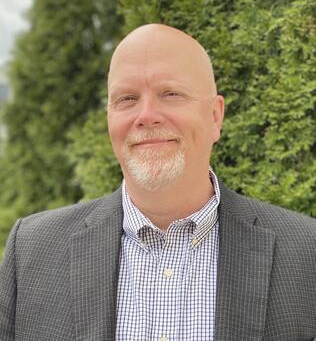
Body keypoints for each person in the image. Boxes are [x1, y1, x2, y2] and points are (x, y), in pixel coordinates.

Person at [0, 24, 315, 341]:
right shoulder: (31, 251)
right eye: (127, 98)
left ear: (215, 117)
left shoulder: (305, 253)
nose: (147, 115)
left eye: (171, 94)